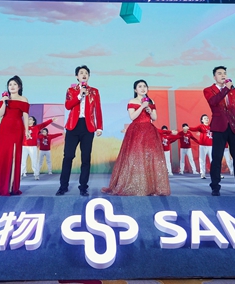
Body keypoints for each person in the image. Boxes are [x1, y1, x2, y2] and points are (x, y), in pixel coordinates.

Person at [102, 80, 170, 196]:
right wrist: (142, 106)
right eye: (140, 86)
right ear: (135, 89)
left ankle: (150, 187)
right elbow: (132, 117)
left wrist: (149, 110)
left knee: (149, 157)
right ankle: (137, 185)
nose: (143, 88)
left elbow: (154, 117)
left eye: (144, 86)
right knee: (137, 157)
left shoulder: (151, 101)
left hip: (149, 131)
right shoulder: (132, 101)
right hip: (136, 131)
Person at [203, 66, 235, 196]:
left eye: (224, 73)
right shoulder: (208, 90)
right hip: (219, 128)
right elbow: (213, 102)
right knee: (217, 158)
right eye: (220, 73)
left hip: (234, 127)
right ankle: (215, 187)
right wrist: (226, 89)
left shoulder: (234, 91)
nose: (223, 75)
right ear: (214, 77)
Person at [56, 65, 103, 196]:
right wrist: (79, 96)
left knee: (85, 158)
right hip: (73, 126)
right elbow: (67, 106)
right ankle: (63, 186)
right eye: (81, 73)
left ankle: (83, 187)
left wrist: (99, 127)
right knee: (68, 156)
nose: (84, 75)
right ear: (77, 76)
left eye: (86, 73)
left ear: (88, 76)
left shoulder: (94, 91)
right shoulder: (71, 90)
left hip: (88, 127)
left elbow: (98, 109)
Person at [0, 76, 30, 196]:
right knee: (3, 154)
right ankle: (1, 185)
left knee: (14, 154)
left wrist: (27, 130)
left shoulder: (23, 99)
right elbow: (0, 114)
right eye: (10, 85)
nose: (12, 87)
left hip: (17, 127)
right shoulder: (4, 100)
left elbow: (25, 116)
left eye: (14, 84)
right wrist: (4, 101)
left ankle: (11, 186)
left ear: (19, 86)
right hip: (5, 128)